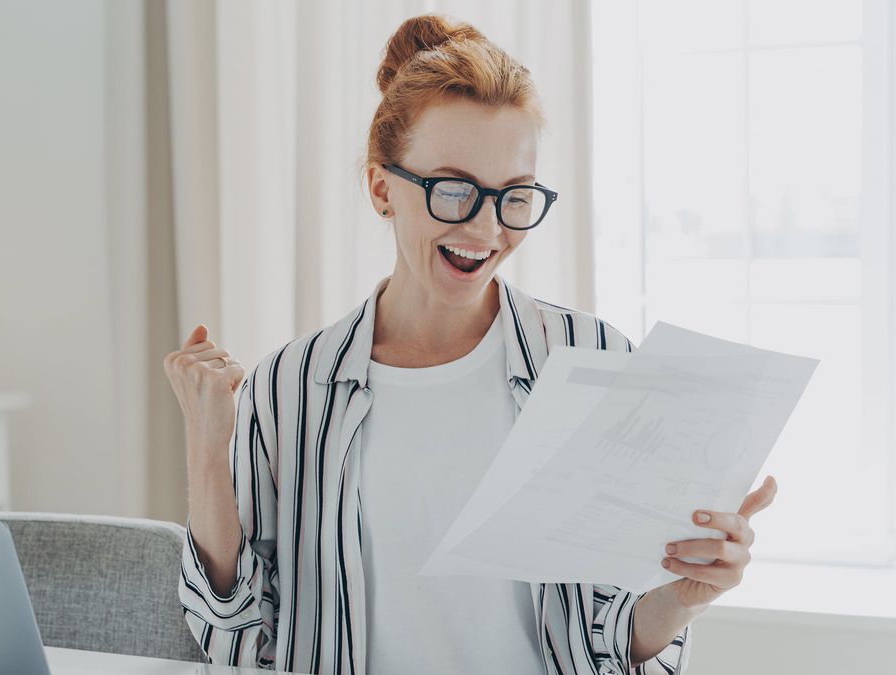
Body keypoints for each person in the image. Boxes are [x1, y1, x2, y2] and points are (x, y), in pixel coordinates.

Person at [164, 12, 776, 675]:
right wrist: (207, 445)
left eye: (513, 196)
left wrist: (683, 598)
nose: (485, 228)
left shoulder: (595, 359)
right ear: (382, 188)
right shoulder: (289, 385)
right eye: (454, 189)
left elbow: (611, 633)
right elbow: (236, 636)